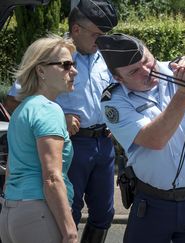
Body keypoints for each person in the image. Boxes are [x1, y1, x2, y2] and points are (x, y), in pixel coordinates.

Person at [95, 33, 185, 243]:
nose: (147, 71)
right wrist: (184, 93)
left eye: (146, 60)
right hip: (153, 204)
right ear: (118, 78)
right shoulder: (113, 101)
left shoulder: (181, 70)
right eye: (134, 71)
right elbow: (155, 139)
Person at [0, 35, 78, 243]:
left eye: (73, 64)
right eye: (65, 65)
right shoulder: (49, 110)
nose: (74, 70)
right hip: (39, 214)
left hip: (11, 215)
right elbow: (52, 177)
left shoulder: (22, 110)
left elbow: (10, 170)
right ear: (41, 70)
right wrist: (70, 231)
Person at [55, 1, 118, 242]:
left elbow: (118, 92)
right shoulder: (54, 54)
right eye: (96, 35)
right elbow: (19, 101)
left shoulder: (105, 56)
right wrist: (59, 118)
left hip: (103, 143)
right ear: (76, 30)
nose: (101, 40)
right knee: (67, 212)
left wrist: (117, 121)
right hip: (71, 144)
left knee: (104, 213)